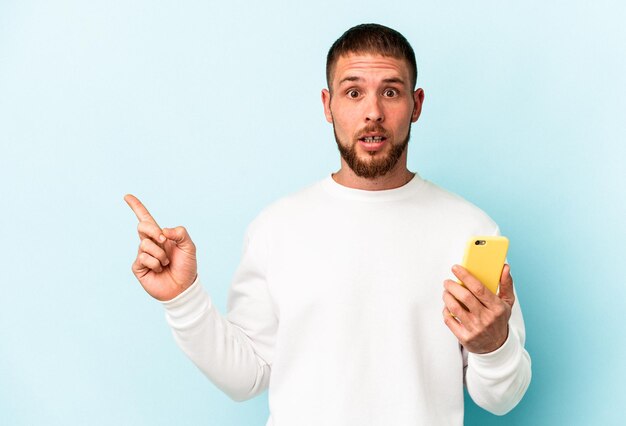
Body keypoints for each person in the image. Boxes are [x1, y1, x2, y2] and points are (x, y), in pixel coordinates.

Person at [125, 23, 531, 426]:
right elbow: (245, 377)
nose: (373, 112)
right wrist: (182, 300)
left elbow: (499, 400)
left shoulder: (469, 230)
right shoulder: (277, 227)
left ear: (417, 103)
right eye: (353, 92)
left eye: (390, 92)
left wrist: (494, 346)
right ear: (327, 104)